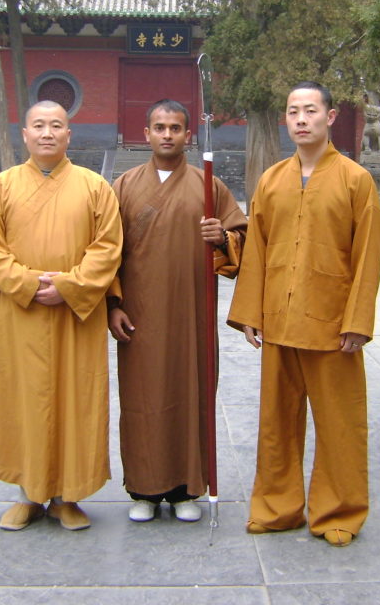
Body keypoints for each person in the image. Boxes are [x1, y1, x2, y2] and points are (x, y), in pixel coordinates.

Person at [228, 81, 380, 548]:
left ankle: (340, 511)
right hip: (279, 318)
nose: (301, 119)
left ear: (330, 117)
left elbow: (368, 255)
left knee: (340, 422)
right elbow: (256, 249)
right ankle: (278, 507)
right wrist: (251, 311)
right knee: (277, 422)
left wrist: (357, 321)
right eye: (293, 110)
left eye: (310, 110)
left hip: (333, 324)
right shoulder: (271, 179)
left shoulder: (356, 179)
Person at [0, 101, 123, 532]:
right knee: (23, 403)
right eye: (39, 125)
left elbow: (108, 248)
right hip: (20, 314)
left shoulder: (95, 188)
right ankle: (28, 494)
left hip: (77, 313)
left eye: (57, 125)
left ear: (69, 134)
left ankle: (67, 497)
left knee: (76, 402)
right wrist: (29, 285)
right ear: (25, 134)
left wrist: (70, 287)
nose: (47, 133)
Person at [109, 99, 247, 523]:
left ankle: (189, 487)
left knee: (193, 393)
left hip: (192, 314)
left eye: (175, 127)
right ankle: (144, 490)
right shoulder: (123, 185)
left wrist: (221, 236)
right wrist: (112, 304)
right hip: (141, 315)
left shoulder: (210, 185)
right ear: (146, 133)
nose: (167, 134)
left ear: (189, 135)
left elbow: (241, 238)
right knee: (142, 399)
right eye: (159, 126)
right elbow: (105, 250)